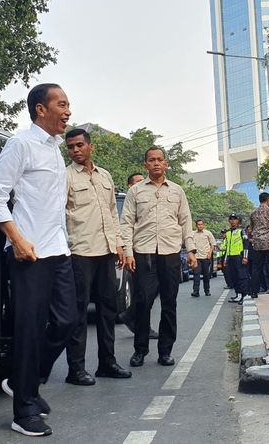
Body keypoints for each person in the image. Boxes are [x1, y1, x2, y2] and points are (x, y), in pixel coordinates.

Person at [0, 83, 77, 437]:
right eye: (62, 104)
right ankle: (23, 409)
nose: (68, 111)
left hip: (58, 249)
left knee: (67, 320)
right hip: (29, 252)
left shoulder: (54, 149)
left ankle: (24, 377)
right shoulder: (21, 145)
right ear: (41, 109)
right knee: (29, 329)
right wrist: (17, 240)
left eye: (68, 105)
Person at [63, 128, 131, 385]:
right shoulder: (66, 177)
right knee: (79, 311)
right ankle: (76, 369)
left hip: (107, 251)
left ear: (91, 147)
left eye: (79, 145)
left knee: (108, 309)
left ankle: (107, 363)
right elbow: (59, 214)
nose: (75, 150)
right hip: (79, 251)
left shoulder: (105, 176)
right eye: (70, 147)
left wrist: (120, 245)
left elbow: (113, 213)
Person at [120, 147, 197, 367]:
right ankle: (140, 350)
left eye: (159, 160)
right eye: (151, 160)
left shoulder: (177, 191)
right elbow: (126, 223)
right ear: (145, 165)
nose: (156, 163)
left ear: (166, 164)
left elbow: (185, 221)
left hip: (170, 252)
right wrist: (127, 252)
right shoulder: (136, 192)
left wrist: (190, 250)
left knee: (169, 303)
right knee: (143, 302)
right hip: (143, 252)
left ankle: (165, 351)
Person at [118, 172, 159, 340]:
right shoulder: (127, 201)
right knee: (142, 291)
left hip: (150, 248)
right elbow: (124, 226)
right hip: (133, 250)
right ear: (130, 186)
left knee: (151, 289)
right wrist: (126, 250)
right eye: (139, 182)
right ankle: (140, 324)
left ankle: (131, 315)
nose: (144, 185)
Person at [222, 214, 250, 303]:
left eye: (235, 219)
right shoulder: (228, 233)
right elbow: (227, 247)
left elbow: (246, 244)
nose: (233, 221)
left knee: (242, 276)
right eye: (231, 219)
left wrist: (245, 257)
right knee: (233, 277)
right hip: (230, 257)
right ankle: (238, 294)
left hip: (239, 256)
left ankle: (244, 295)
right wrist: (226, 259)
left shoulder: (242, 231)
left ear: (238, 221)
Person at [191, 219, 216, 297]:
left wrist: (210, 253)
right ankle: (196, 291)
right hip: (196, 257)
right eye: (198, 224)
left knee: (206, 275)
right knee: (196, 274)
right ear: (196, 225)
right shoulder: (192, 234)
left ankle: (207, 290)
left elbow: (213, 244)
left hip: (205, 257)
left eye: (201, 224)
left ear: (203, 225)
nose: (200, 226)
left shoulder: (208, 233)